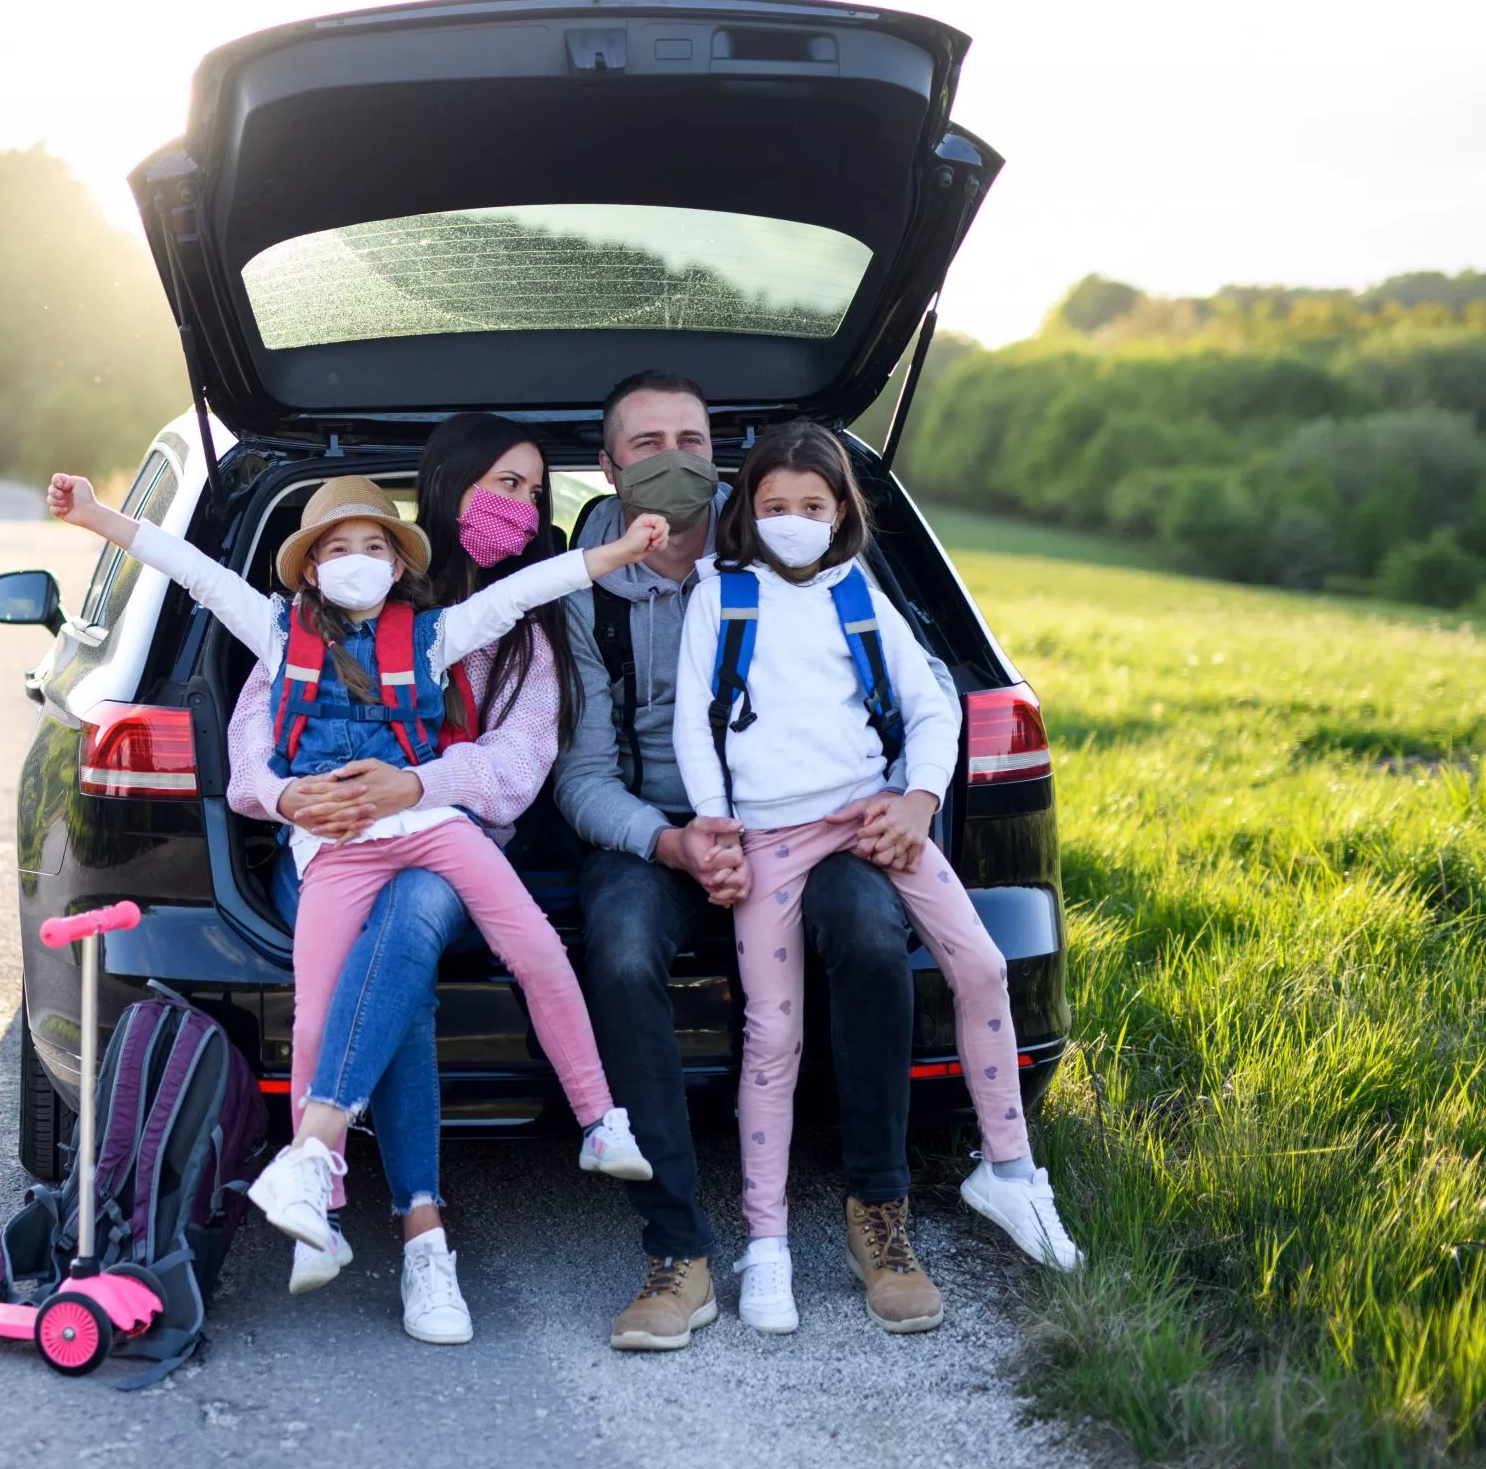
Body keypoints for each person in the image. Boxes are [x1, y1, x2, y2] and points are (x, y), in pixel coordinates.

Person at [43, 467, 666, 1266]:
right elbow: (193, 568)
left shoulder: (436, 635)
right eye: (339, 548)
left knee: (538, 947)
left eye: (376, 545)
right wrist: (98, 516)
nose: (359, 559)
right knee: (315, 1014)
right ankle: (319, 1202)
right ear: (310, 569)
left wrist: (614, 552)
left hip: (431, 827)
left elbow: (519, 595)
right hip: (336, 852)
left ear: (400, 564)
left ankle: (598, 1118)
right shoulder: (274, 633)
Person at [556, 370, 951, 1349]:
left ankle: (879, 1215)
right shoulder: (587, 584)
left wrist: (908, 797)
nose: (674, 458)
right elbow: (582, 771)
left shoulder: (793, 525)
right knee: (616, 944)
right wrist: (673, 841)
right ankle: (677, 1253)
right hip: (660, 831)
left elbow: (917, 678)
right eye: (645, 443)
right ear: (606, 468)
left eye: (691, 438)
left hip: (812, 822)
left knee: (865, 928)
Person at [673, 420, 1082, 1333]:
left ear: (840, 512)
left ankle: (1009, 1171)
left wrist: (920, 801)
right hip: (772, 839)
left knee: (981, 967)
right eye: (773, 505)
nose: (791, 520)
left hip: (872, 820)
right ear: (747, 511)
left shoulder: (859, 592)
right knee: (773, 1036)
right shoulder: (721, 597)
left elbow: (934, 706)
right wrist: (715, 822)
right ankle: (766, 1244)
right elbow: (695, 727)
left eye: (811, 506)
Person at [223, 413, 586, 1344]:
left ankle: (327, 1168)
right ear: (449, 489)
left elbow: (517, 766)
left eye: (535, 493)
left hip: (448, 848)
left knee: (416, 909)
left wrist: (417, 782)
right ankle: (422, 1231)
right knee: (402, 970)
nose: (523, 506)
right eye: (504, 483)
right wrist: (286, 795)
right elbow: (258, 727)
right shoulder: (329, 624)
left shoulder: (517, 635)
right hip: (332, 844)